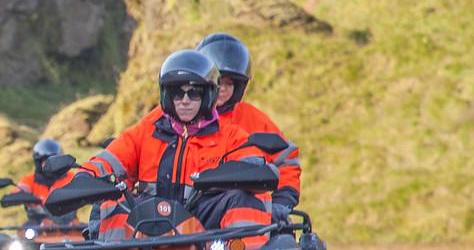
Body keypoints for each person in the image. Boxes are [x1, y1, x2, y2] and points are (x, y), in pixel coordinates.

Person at [55, 48, 273, 237]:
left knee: (244, 198)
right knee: (111, 202)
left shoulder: (233, 136)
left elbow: (252, 165)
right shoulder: (145, 131)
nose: (185, 100)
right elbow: (111, 158)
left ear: (209, 95)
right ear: (167, 96)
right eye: (178, 93)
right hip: (148, 221)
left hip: (205, 225)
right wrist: (84, 177)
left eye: (194, 93)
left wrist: (237, 175)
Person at [198, 32, 300, 218]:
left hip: (241, 217)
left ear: (239, 87)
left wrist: (282, 200)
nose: (222, 89)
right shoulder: (172, 117)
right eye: (217, 81)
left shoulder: (253, 119)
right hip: (185, 214)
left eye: (230, 83)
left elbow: (286, 159)